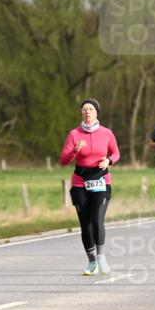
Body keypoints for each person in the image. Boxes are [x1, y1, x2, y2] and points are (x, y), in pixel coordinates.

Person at [60, 99, 120, 276]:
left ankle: (101, 257)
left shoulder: (106, 133)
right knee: (85, 224)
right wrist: (74, 151)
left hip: (101, 180)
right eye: (84, 109)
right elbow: (63, 160)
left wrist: (109, 160)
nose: (87, 112)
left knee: (96, 220)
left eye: (91, 109)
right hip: (80, 182)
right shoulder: (74, 134)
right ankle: (91, 260)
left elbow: (116, 153)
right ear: (81, 113)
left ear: (97, 112)